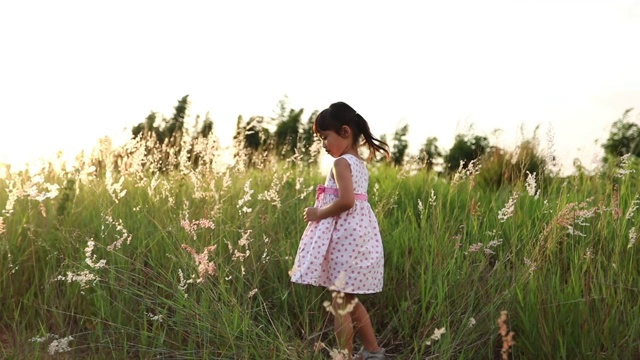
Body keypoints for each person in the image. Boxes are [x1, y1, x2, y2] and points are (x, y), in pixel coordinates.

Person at [290, 101, 389, 360]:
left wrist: (317, 213)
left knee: (340, 303)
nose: (323, 144)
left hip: (347, 239)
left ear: (345, 132)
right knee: (348, 300)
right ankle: (374, 351)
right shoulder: (358, 163)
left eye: (325, 137)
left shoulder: (341, 164)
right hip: (358, 237)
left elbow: (347, 201)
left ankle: (344, 355)